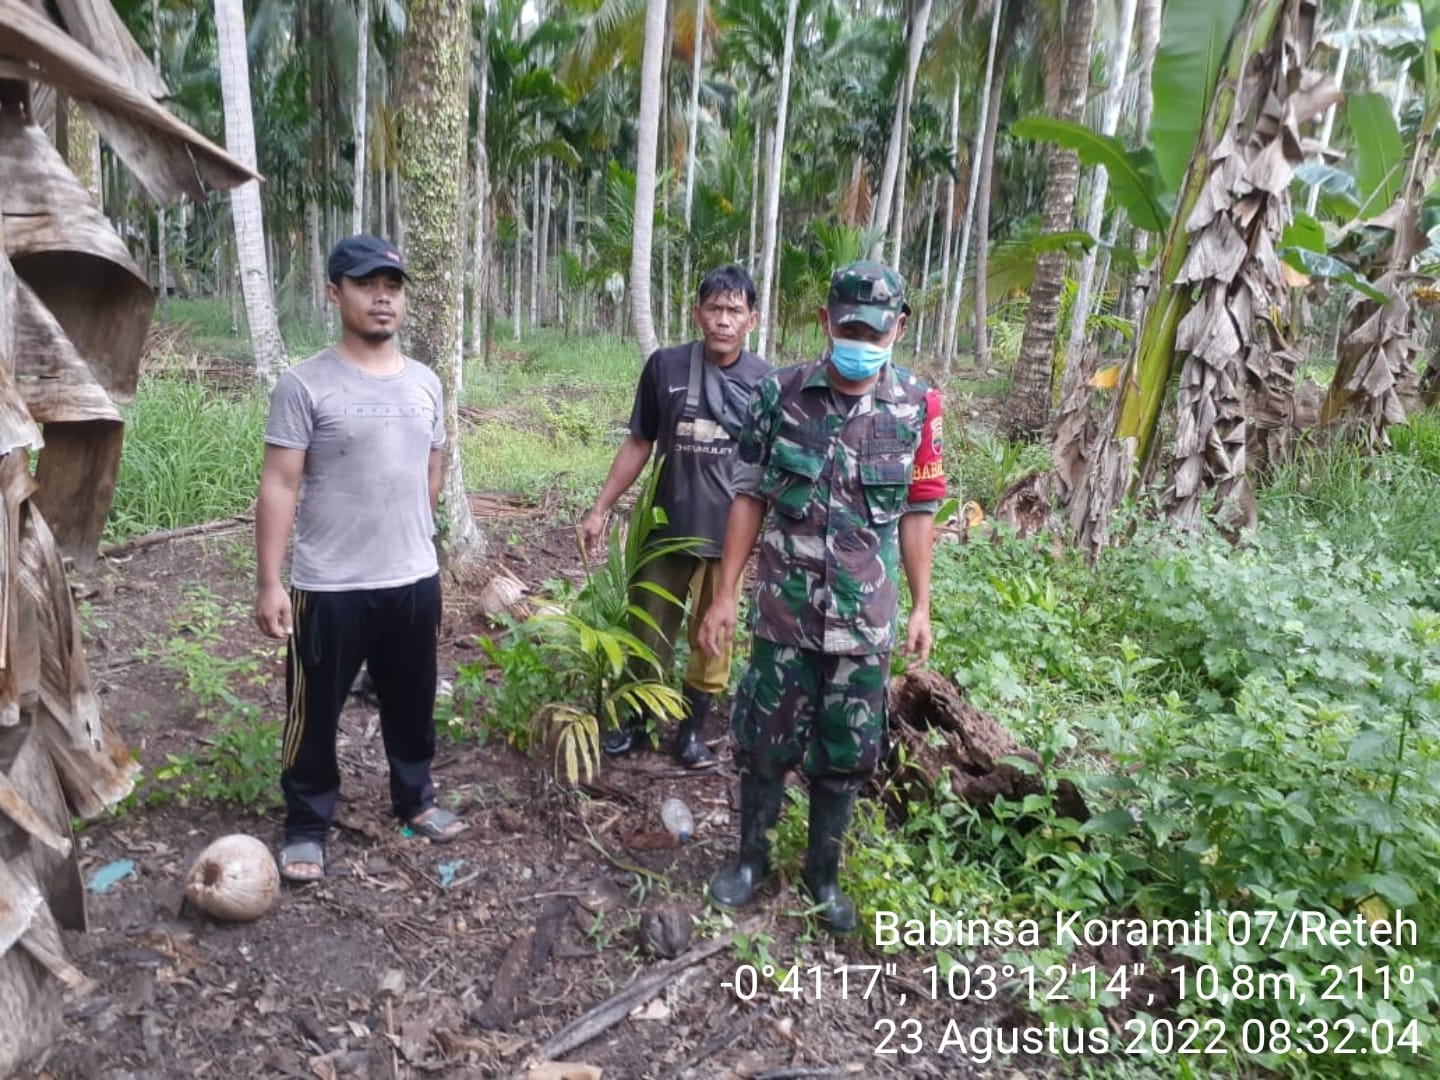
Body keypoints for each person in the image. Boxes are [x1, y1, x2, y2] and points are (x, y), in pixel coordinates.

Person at [697, 260, 945, 933]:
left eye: (874, 328)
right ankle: (750, 861)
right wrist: (724, 596)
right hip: (783, 612)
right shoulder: (779, 396)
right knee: (763, 741)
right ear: (824, 321)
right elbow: (748, 496)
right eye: (847, 325)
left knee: (847, 752)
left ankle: (823, 875)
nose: (858, 338)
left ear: (898, 327)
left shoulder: (917, 407)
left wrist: (921, 604)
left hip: (864, 625)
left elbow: (919, 512)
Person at [255, 234, 466, 884]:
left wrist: (415, 539)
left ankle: (416, 801)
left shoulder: (425, 383)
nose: (383, 297)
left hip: (410, 580)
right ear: (334, 292)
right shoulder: (305, 383)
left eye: (393, 286)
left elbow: (432, 468)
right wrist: (270, 582)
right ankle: (308, 825)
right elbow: (280, 484)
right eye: (368, 284)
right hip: (329, 585)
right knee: (312, 713)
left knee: (411, 702)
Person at [580, 265, 772, 768]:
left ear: (751, 318)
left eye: (734, 310)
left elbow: (768, 471)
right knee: (649, 632)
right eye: (714, 308)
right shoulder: (663, 367)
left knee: (713, 642)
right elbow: (639, 442)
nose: (723, 320)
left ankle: (690, 732)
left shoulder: (766, 384)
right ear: (697, 313)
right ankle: (639, 725)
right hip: (664, 532)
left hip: (725, 540)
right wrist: (601, 507)